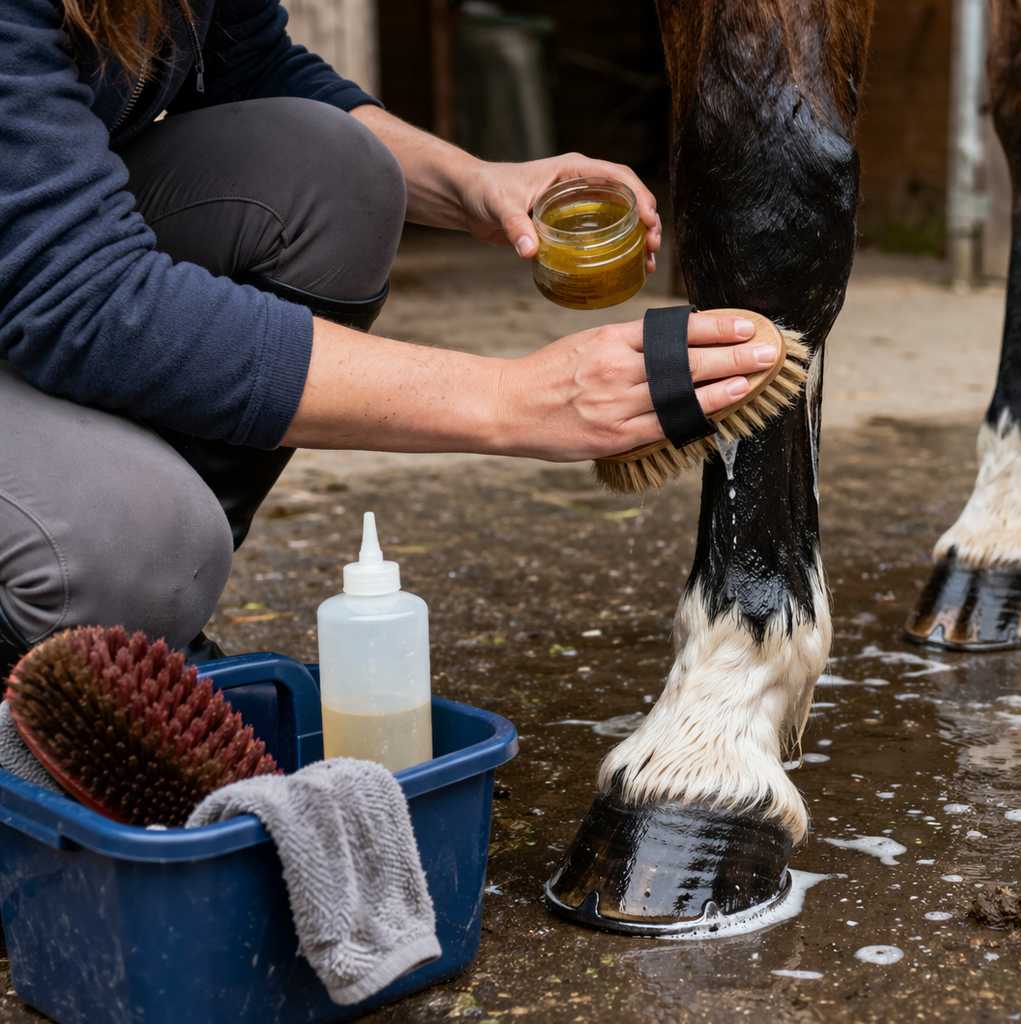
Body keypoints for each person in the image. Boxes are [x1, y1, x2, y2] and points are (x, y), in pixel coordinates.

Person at [0, 0, 775, 674]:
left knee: (333, 170)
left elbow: (255, 65)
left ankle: (136, 619)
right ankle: (78, 616)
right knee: (143, 546)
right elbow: (87, 297)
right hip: (55, 281)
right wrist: (514, 400)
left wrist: (475, 184)